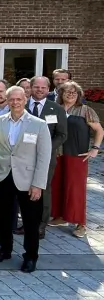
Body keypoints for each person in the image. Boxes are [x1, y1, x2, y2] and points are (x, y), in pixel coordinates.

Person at [0, 86, 52, 273]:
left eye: (19, 99)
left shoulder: (39, 124)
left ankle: (31, 256)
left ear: (25, 100)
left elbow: (44, 157)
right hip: (2, 176)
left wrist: (38, 184)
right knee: (3, 217)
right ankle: (5, 249)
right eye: (12, 99)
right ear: (7, 101)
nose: (15, 102)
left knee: (31, 220)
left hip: (28, 179)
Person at [49, 81, 103, 238]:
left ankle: (81, 223)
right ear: (61, 94)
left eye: (74, 92)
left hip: (77, 155)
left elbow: (99, 131)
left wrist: (95, 149)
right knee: (57, 185)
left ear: (79, 95)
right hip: (57, 153)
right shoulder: (55, 109)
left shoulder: (85, 110)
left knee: (75, 190)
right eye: (67, 91)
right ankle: (60, 217)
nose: (71, 94)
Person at [29, 76, 68, 238]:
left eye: (43, 87)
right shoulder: (21, 105)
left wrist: (46, 148)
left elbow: (62, 135)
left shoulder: (56, 109)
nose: (40, 90)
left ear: (48, 89)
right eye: (36, 87)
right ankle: (27, 222)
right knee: (24, 189)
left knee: (43, 189)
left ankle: (41, 225)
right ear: (31, 88)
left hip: (46, 157)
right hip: (24, 156)